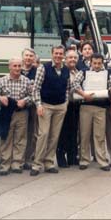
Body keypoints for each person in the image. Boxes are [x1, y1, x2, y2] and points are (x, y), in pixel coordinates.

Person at [74, 53, 111, 171]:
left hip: (101, 108)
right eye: (94, 63)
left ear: (102, 63)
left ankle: (102, 160)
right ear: (90, 62)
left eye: (99, 63)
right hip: (85, 106)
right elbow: (74, 84)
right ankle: (84, 160)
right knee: (84, 134)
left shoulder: (106, 74)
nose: (97, 66)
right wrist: (83, 94)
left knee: (100, 135)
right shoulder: (83, 72)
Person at [31, 45, 70, 176]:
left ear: (63, 55)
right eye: (56, 53)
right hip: (46, 106)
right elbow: (36, 88)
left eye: (60, 54)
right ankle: (37, 164)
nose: (58, 56)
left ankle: (49, 162)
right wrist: (38, 105)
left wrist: (66, 103)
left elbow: (67, 88)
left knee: (54, 136)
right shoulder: (44, 68)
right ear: (52, 54)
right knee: (44, 134)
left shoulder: (66, 70)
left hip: (60, 107)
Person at [0, 57, 32, 175]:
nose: (17, 68)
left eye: (19, 66)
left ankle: (17, 164)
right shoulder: (3, 81)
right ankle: (5, 165)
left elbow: (32, 96)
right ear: (9, 67)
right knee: (6, 138)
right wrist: (0, 98)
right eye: (14, 66)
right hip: (7, 114)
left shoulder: (26, 81)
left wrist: (25, 101)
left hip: (22, 113)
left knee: (20, 139)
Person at [57, 50, 80, 167]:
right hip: (64, 104)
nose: (72, 60)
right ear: (65, 59)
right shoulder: (62, 71)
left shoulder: (78, 72)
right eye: (70, 57)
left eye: (75, 58)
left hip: (76, 105)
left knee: (73, 131)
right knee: (63, 132)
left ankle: (72, 157)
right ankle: (61, 157)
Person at [21, 48, 38, 170]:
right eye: (26, 55)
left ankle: (27, 158)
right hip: (18, 108)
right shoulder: (16, 69)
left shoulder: (37, 71)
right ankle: (16, 159)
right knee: (18, 134)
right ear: (23, 57)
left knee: (31, 133)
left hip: (32, 107)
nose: (28, 58)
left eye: (31, 56)